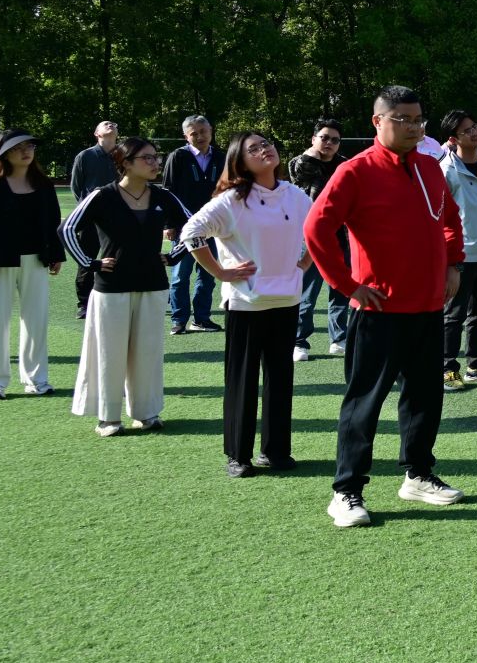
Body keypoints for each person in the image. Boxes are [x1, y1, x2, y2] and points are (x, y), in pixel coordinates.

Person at [305, 86, 467, 528]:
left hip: (428, 306)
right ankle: (346, 491)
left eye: (418, 120)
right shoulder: (355, 171)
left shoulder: (429, 167)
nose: (414, 127)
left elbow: (450, 219)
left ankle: (418, 474)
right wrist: (348, 285)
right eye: (403, 119)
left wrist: (453, 263)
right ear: (378, 122)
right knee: (364, 403)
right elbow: (316, 229)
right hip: (378, 311)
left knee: (425, 397)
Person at [178, 131, 312, 478]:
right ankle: (238, 455)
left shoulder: (294, 194)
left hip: (287, 299)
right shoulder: (232, 200)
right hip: (246, 302)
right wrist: (220, 271)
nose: (265, 150)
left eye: (267, 144)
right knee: (243, 380)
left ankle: (276, 451)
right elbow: (191, 232)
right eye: (254, 149)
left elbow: (318, 229)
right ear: (240, 160)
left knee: (280, 378)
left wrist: (305, 262)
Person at [61, 137, 191, 436]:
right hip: (112, 287)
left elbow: (196, 226)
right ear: (126, 163)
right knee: (109, 353)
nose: (155, 163)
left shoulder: (163, 196)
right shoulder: (102, 195)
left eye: (156, 157)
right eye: (147, 158)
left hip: (152, 284)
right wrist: (91, 263)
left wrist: (173, 256)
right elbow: (67, 228)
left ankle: (147, 413)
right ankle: (108, 417)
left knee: (148, 352)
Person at [0, 129, 65, 399]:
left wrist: (56, 255)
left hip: (36, 260)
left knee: (36, 321)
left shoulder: (43, 185)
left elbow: (53, 222)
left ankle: (36, 379)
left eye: (29, 146)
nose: (26, 152)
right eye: (17, 147)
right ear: (4, 153)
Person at [438, 111, 477, 390]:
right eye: (467, 130)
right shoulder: (446, 170)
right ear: (453, 139)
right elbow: (440, 216)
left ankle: (476, 365)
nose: (474, 132)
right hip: (460, 254)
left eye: (475, 126)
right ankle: (446, 368)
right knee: (453, 315)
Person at [289, 120, 349, 359]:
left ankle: (339, 338)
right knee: (307, 292)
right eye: (324, 138)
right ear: (313, 139)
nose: (329, 143)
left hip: (340, 235)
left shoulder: (344, 165)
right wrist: (312, 154)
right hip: (310, 237)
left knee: (341, 289)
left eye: (335, 140)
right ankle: (299, 341)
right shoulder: (300, 162)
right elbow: (303, 175)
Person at [162, 115, 220, 335]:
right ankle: (179, 319)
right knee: (180, 275)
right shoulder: (178, 157)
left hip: (213, 227)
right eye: (194, 133)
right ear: (186, 136)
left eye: (203, 131)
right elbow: (168, 191)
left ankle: (202, 319)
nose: (200, 136)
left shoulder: (221, 157)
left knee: (208, 274)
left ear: (211, 131)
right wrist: (169, 224)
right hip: (184, 227)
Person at [67, 121, 122, 319]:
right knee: (87, 259)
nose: (111, 125)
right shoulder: (85, 156)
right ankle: (84, 303)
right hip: (91, 216)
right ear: (96, 133)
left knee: (119, 258)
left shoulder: (122, 155)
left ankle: (114, 297)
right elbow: (76, 187)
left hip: (117, 216)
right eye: (106, 124)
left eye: (114, 124)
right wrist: (87, 209)